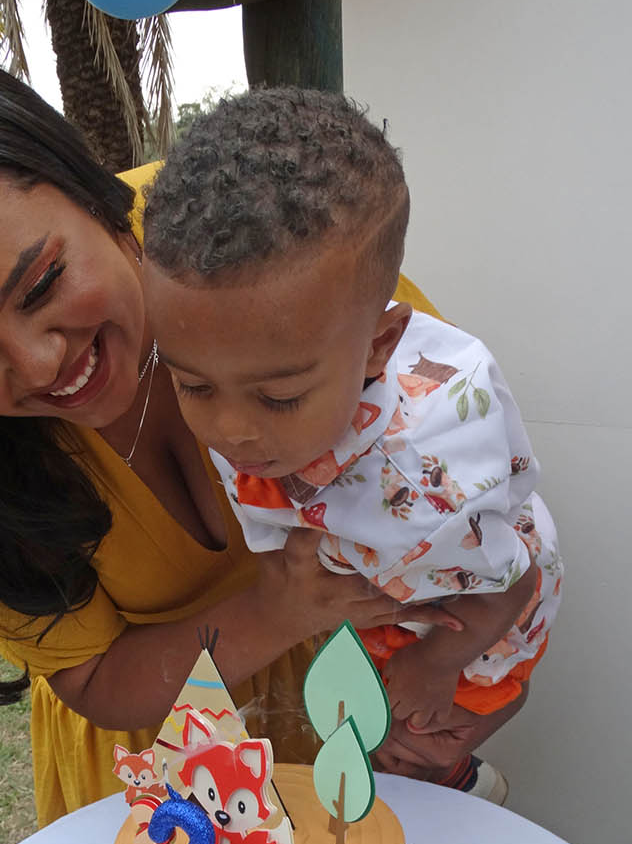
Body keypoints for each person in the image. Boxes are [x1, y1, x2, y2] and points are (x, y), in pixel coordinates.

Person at [0, 35, 462, 827]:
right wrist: (277, 610)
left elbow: (463, 501)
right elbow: (95, 678)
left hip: (370, 714)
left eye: (42, 284)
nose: (41, 364)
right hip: (166, 778)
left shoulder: (266, 241)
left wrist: (458, 679)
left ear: (86, 187)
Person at [142, 88, 563, 802]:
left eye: (279, 396)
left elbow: (513, 584)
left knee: (420, 728)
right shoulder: (255, 395)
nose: (231, 430)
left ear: (380, 346)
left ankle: (451, 777)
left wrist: (436, 663)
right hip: (391, 585)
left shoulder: (429, 486)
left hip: (475, 617)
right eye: (193, 386)